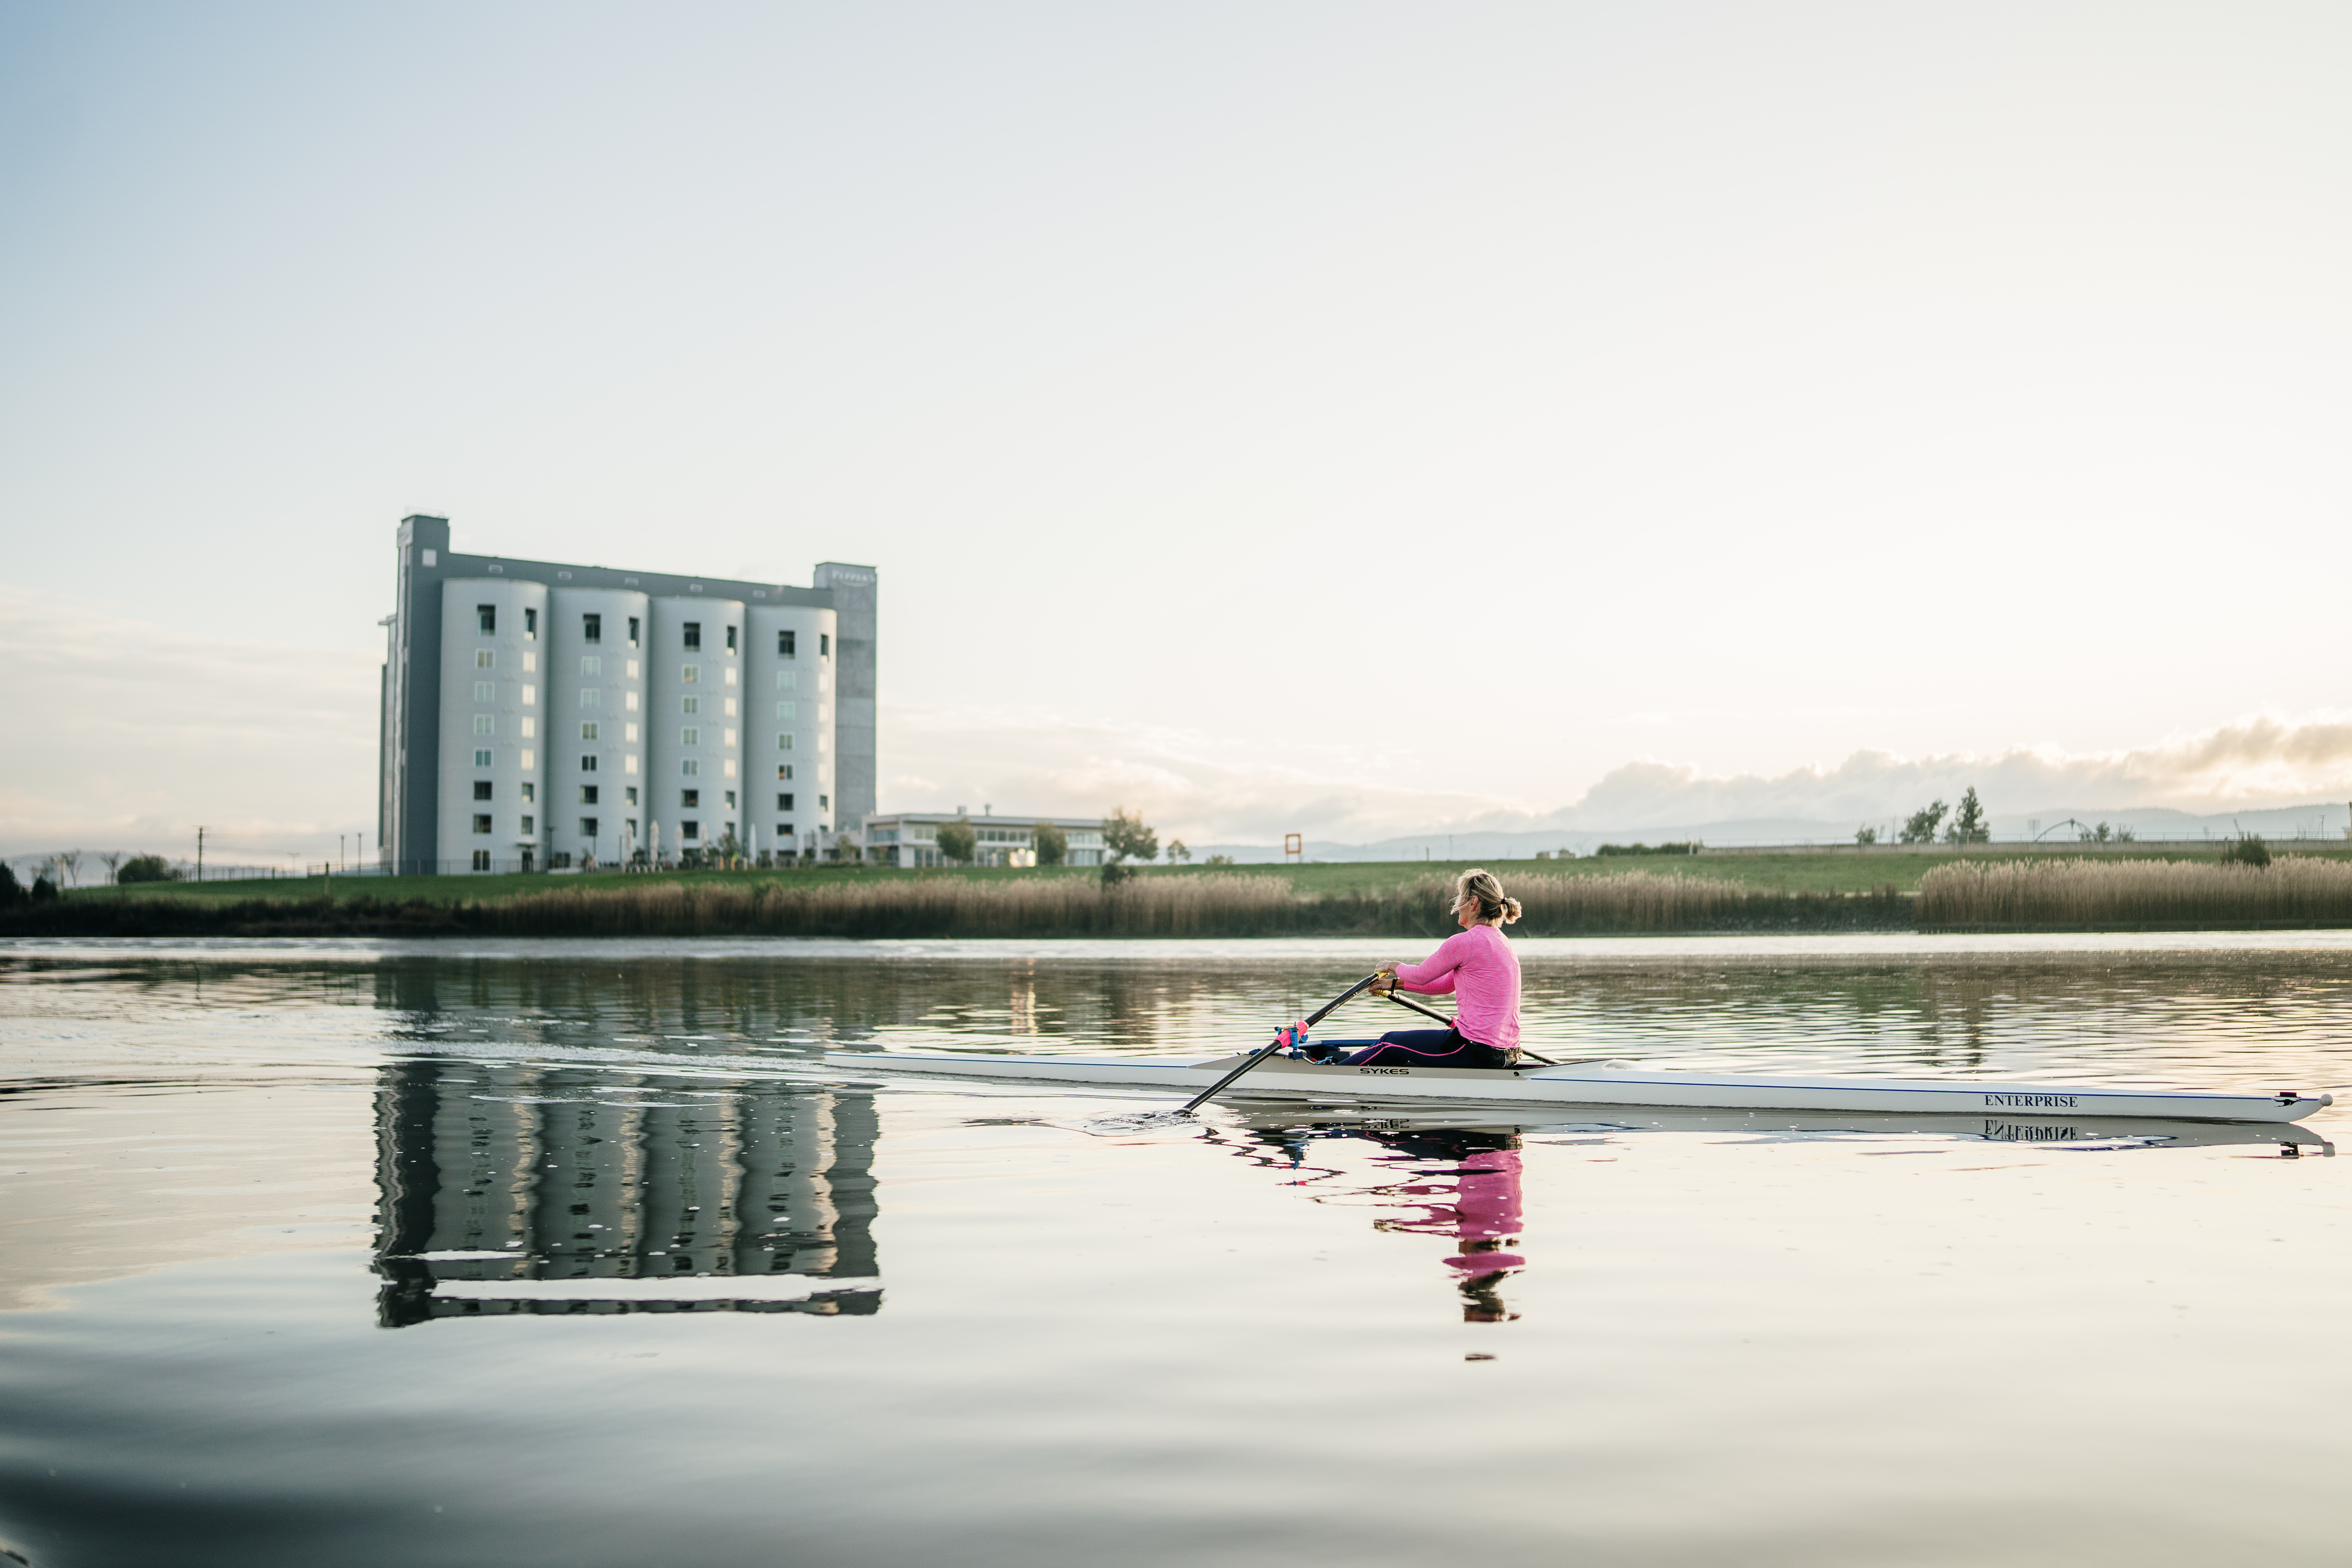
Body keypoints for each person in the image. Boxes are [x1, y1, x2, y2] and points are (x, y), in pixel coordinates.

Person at [1343, 868, 1523, 1068]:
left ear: (1474, 903)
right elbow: (1445, 986)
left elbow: (1421, 976)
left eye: (1460, 898)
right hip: (1508, 1053)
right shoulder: (1502, 942)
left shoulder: (1466, 942)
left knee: (1389, 1042)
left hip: (1475, 1050)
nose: (1457, 905)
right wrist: (1394, 985)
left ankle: (1333, 1076)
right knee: (1401, 1050)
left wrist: (1391, 966)